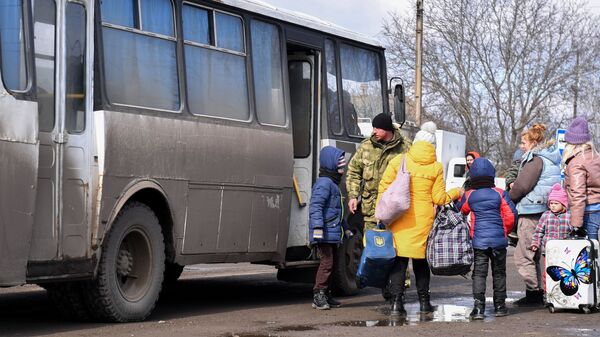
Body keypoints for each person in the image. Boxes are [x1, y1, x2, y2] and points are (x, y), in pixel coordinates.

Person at [377, 121, 461, 316]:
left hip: (399, 217)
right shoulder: (436, 167)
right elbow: (439, 198)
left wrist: (382, 211)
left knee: (399, 262)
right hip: (423, 221)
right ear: (433, 147)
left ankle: (397, 305)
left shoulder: (400, 160)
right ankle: (425, 303)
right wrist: (457, 191)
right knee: (421, 263)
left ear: (415, 143)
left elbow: (384, 187)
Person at [509, 124, 561, 306]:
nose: (522, 146)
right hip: (544, 210)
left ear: (533, 142)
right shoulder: (551, 158)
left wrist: (510, 196)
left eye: (524, 143)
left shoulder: (535, 160)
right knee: (536, 254)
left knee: (524, 255)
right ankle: (539, 291)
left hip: (531, 211)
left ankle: (533, 293)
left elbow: (522, 186)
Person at [458, 158, 517, 319]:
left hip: (479, 242)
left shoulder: (470, 195)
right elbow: (511, 215)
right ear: (492, 176)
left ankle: (478, 308)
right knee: (499, 273)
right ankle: (500, 306)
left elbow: (461, 211)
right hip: (499, 242)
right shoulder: (500, 193)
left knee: (479, 274)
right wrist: (504, 231)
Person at [309, 146, 353, 310]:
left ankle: (326, 293)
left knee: (332, 263)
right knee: (326, 263)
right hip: (324, 233)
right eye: (340, 167)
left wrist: (346, 228)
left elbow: (337, 212)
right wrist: (318, 228)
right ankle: (319, 294)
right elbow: (316, 207)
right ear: (330, 165)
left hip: (332, 232)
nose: (342, 170)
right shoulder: (324, 184)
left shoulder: (333, 184)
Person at [346, 113, 406, 231]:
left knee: (392, 248)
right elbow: (354, 172)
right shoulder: (366, 146)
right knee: (371, 246)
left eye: (377, 128)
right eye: (373, 128)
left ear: (387, 129)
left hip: (395, 213)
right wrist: (353, 196)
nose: (374, 131)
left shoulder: (405, 147)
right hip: (371, 213)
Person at [562, 116, 600, 240]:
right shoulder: (595, 156)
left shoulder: (576, 163)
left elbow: (578, 194)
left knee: (589, 255)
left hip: (587, 213)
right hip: (597, 209)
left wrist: (576, 226)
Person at [530, 183, 572, 293]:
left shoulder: (569, 216)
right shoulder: (546, 215)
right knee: (548, 272)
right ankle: (548, 293)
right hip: (548, 251)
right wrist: (535, 243)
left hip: (565, 251)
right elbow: (539, 231)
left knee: (564, 272)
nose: (553, 205)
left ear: (563, 204)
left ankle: (563, 292)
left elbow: (573, 231)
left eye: (556, 203)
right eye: (551, 203)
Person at [506, 148, 524, 246]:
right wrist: (511, 183)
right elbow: (510, 175)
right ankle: (513, 232)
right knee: (514, 212)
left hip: (520, 193)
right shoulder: (516, 166)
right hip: (514, 194)